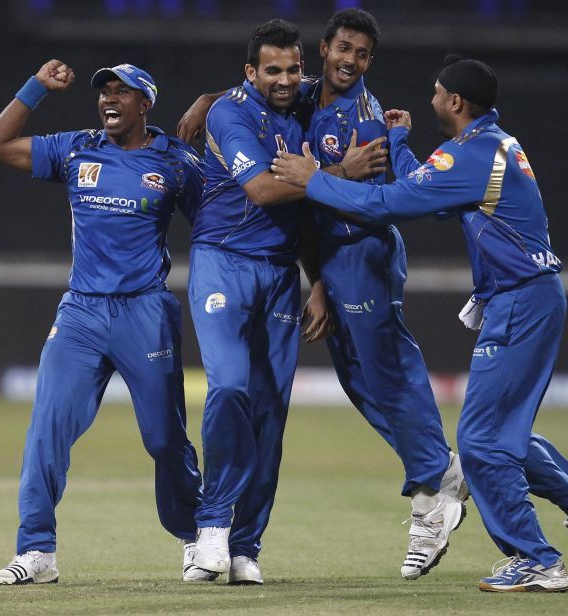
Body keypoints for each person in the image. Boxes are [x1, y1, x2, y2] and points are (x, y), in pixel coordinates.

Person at [271, 54, 568, 593]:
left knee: (480, 440)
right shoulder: (487, 144)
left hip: (520, 303)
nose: (432, 99)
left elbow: (391, 201)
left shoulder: (474, 153)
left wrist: (315, 178)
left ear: (456, 102)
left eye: (437, 93)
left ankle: (535, 559)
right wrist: (396, 140)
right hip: (527, 298)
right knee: (503, 435)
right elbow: (422, 182)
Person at [178, 8, 469, 582]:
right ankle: (436, 474)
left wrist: (338, 179)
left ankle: (435, 484)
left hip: (360, 252)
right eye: (343, 50)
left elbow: (368, 201)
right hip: (320, 262)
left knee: (386, 371)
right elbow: (268, 88)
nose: (350, 61)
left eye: (361, 55)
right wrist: (211, 98)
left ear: (368, 62)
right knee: (359, 380)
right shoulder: (306, 97)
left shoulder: (366, 124)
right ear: (325, 50)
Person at [0, 60, 206, 585]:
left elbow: (216, 227)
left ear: (145, 105)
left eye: (122, 93)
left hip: (145, 310)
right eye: (104, 90)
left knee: (165, 439)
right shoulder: (76, 147)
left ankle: (196, 538)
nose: (108, 99)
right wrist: (35, 87)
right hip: (80, 311)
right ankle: (37, 551)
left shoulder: (176, 162)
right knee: (47, 428)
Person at [186, 18, 338, 586]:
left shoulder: (303, 106)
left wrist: (318, 279)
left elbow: (304, 214)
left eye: (293, 69)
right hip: (223, 259)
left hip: (281, 273)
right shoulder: (230, 113)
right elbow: (264, 189)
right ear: (250, 72)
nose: (284, 79)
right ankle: (211, 529)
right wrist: (339, 172)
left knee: (270, 411)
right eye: (271, 70)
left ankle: (246, 545)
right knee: (228, 385)